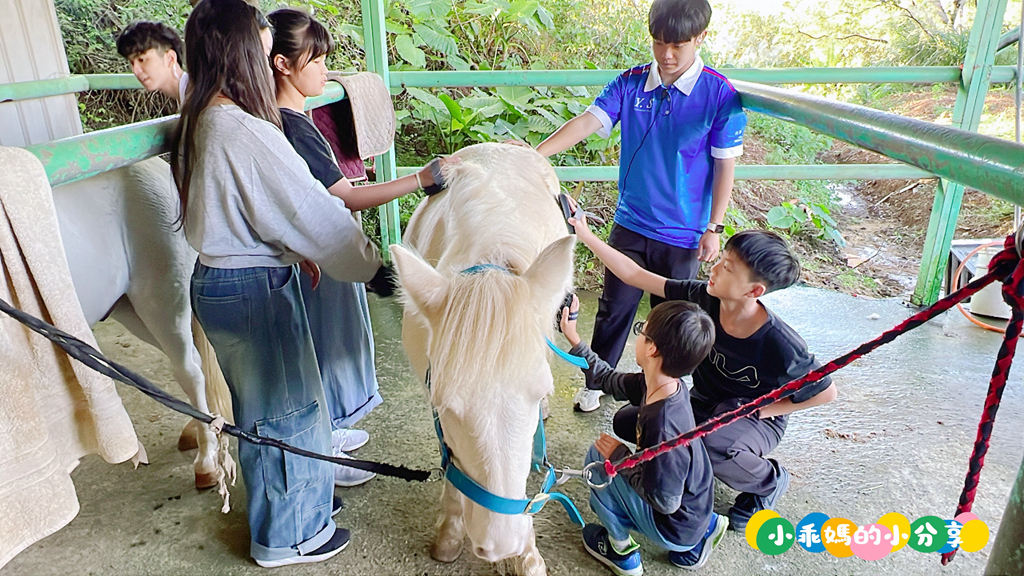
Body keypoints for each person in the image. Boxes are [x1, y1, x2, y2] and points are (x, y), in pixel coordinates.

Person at [172, 0, 382, 566]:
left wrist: (291, 250)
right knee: (286, 413)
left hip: (221, 278)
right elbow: (314, 212)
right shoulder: (243, 130)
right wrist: (375, 270)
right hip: (252, 291)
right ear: (239, 53)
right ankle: (288, 536)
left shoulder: (203, 117)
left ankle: (303, 509)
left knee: (272, 407)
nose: (268, 64)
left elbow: (247, 211)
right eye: (263, 53)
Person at [266, 7, 449, 487]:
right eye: (317, 60)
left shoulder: (287, 119)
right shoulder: (292, 125)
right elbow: (345, 194)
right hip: (321, 253)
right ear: (283, 64)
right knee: (323, 344)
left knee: (326, 341)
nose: (327, 72)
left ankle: (332, 428)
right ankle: (323, 446)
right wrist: (419, 179)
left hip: (318, 249)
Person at [535, 0, 746, 413]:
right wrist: (535, 156)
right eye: (659, 42)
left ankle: (665, 394)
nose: (667, 55)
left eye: (679, 45)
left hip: (684, 233)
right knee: (614, 308)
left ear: (701, 38)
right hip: (630, 223)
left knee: (671, 319)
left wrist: (714, 227)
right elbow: (587, 121)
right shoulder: (630, 83)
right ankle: (597, 379)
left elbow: (725, 169)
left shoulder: (721, 95)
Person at [569, 210, 838, 532]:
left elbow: (826, 392)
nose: (714, 268)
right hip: (704, 402)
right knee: (629, 422)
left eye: (727, 268)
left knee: (713, 444)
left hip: (754, 418)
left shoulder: (781, 344)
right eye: (720, 259)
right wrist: (584, 233)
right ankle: (695, 461)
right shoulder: (705, 297)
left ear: (754, 291)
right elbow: (635, 275)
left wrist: (764, 411)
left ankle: (768, 481)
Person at [560, 297, 727, 573]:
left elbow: (665, 501)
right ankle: (704, 529)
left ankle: (621, 552)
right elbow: (607, 379)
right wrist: (575, 339)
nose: (637, 336)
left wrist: (621, 458)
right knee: (621, 429)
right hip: (695, 504)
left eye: (642, 330)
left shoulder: (662, 426)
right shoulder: (663, 384)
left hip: (676, 524)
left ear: (652, 348)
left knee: (598, 461)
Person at [118, 17, 274, 106]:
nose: (136, 70)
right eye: (131, 63)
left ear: (170, 58)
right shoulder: (189, 94)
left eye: (142, 60)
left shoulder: (201, 97)